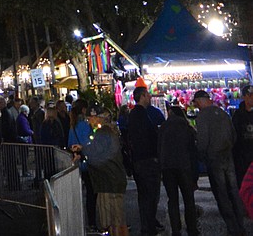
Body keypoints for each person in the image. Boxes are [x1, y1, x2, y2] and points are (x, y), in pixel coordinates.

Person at [191, 89, 245, 236]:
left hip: (214, 158)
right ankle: (241, 225)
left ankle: (232, 227)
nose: (197, 106)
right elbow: (234, 134)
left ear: (201, 100)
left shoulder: (202, 116)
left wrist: (201, 155)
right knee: (233, 191)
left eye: (196, 103)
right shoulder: (222, 113)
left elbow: (202, 140)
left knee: (221, 193)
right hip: (228, 156)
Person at [128, 85, 165, 236]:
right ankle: (149, 225)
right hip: (147, 160)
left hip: (138, 160)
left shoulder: (133, 115)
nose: (150, 97)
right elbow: (148, 137)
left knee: (144, 195)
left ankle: (147, 224)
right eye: (147, 95)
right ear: (142, 96)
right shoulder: (142, 115)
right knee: (151, 194)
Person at [83, 113, 128, 236]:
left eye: (89, 118)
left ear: (98, 118)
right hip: (114, 179)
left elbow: (96, 153)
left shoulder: (102, 133)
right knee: (118, 218)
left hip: (107, 181)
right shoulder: (111, 132)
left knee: (108, 219)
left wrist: (82, 150)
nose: (88, 121)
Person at [158, 105, 198, 236]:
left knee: (173, 199)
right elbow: (193, 152)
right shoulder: (187, 128)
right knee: (189, 199)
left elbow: (159, 148)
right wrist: (195, 176)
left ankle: (176, 229)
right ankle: (192, 228)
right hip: (184, 166)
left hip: (168, 167)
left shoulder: (163, 127)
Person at [68, 99, 98, 229]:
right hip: (89, 162)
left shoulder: (73, 126)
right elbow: (90, 143)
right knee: (92, 194)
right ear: (84, 110)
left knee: (85, 193)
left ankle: (85, 222)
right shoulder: (85, 126)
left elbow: (70, 144)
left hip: (79, 163)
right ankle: (92, 222)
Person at [232, 85, 253, 187]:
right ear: (244, 97)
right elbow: (234, 135)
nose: (252, 98)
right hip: (242, 157)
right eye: (249, 95)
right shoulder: (238, 115)